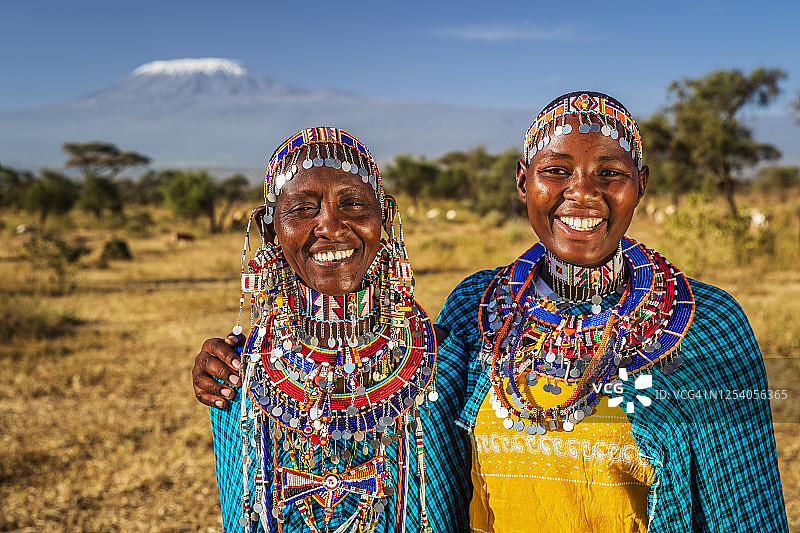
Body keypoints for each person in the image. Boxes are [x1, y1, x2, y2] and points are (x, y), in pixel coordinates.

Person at [195, 94, 788, 532]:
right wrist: (232, 359)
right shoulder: (473, 315)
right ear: (524, 183)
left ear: (642, 185)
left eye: (611, 172)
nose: (581, 192)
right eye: (556, 170)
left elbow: (748, 507)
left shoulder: (706, 323)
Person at [199, 127, 472, 532]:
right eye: (303, 209)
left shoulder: (443, 361)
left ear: (384, 219)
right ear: (272, 230)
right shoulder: (241, 373)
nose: (331, 225)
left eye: (354, 204)